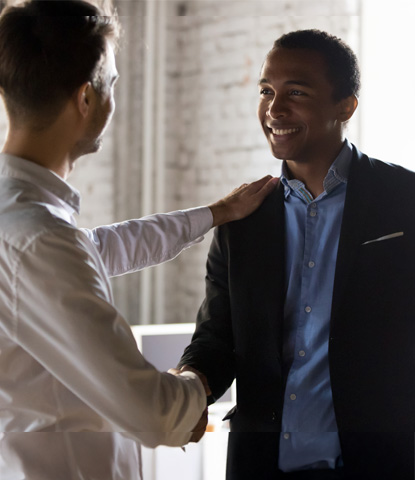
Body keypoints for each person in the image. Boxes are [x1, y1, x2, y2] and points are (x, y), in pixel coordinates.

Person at [0, 1, 278, 479]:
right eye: (113, 84)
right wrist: (197, 379)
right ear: (87, 99)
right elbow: (154, 414)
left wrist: (215, 214)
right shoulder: (40, 238)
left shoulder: (22, 215)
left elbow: (104, 247)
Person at [179, 28, 415, 480]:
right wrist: (191, 384)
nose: (274, 108)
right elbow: (217, 336)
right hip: (262, 464)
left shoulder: (404, 200)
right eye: (266, 91)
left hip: (379, 461)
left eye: (297, 92)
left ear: (346, 105)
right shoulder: (242, 218)